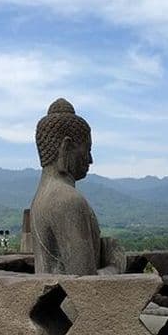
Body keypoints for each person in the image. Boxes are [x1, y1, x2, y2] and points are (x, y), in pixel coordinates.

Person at [30, 98, 124, 275]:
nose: (90, 159)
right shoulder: (67, 200)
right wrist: (115, 264)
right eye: (87, 149)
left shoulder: (41, 198)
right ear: (67, 147)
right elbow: (84, 285)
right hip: (68, 301)